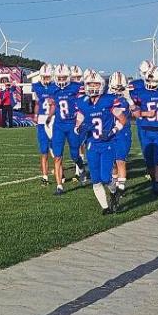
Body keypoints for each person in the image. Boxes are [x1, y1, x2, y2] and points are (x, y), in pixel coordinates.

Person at [75, 71, 126, 215]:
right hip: (92, 144)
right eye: (90, 84)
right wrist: (78, 128)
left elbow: (123, 119)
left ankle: (114, 192)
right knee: (96, 179)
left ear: (102, 85)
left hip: (107, 143)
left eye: (95, 84)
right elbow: (79, 120)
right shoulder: (82, 102)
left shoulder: (108, 100)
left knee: (105, 177)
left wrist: (113, 131)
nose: (92, 87)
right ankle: (105, 207)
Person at [131, 68, 158, 197]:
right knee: (149, 161)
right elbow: (135, 113)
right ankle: (154, 182)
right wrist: (145, 113)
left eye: (153, 80)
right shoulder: (140, 93)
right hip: (145, 129)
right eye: (149, 79)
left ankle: (157, 187)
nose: (151, 82)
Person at [48, 65, 87, 195]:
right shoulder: (53, 88)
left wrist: (79, 120)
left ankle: (81, 166)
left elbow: (83, 104)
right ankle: (59, 186)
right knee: (57, 156)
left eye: (64, 77)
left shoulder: (76, 87)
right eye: (59, 77)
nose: (61, 79)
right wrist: (49, 116)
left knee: (74, 154)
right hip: (59, 125)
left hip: (72, 124)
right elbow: (53, 105)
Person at [108, 71, 133, 195]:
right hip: (110, 134)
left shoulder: (127, 99)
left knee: (120, 160)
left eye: (120, 87)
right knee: (112, 162)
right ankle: (115, 182)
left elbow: (136, 111)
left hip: (123, 133)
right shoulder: (107, 99)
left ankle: (121, 187)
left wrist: (130, 99)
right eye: (116, 87)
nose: (118, 90)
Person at [31, 66, 56, 184]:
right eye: (44, 77)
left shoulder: (55, 86)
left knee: (55, 149)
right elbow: (36, 103)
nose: (45, 79)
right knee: (43, 150)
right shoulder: (36, 87)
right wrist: (35, 115)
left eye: (47, 76)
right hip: (42, 120)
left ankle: (59, 171)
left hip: (53, 121)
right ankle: (45, 176)